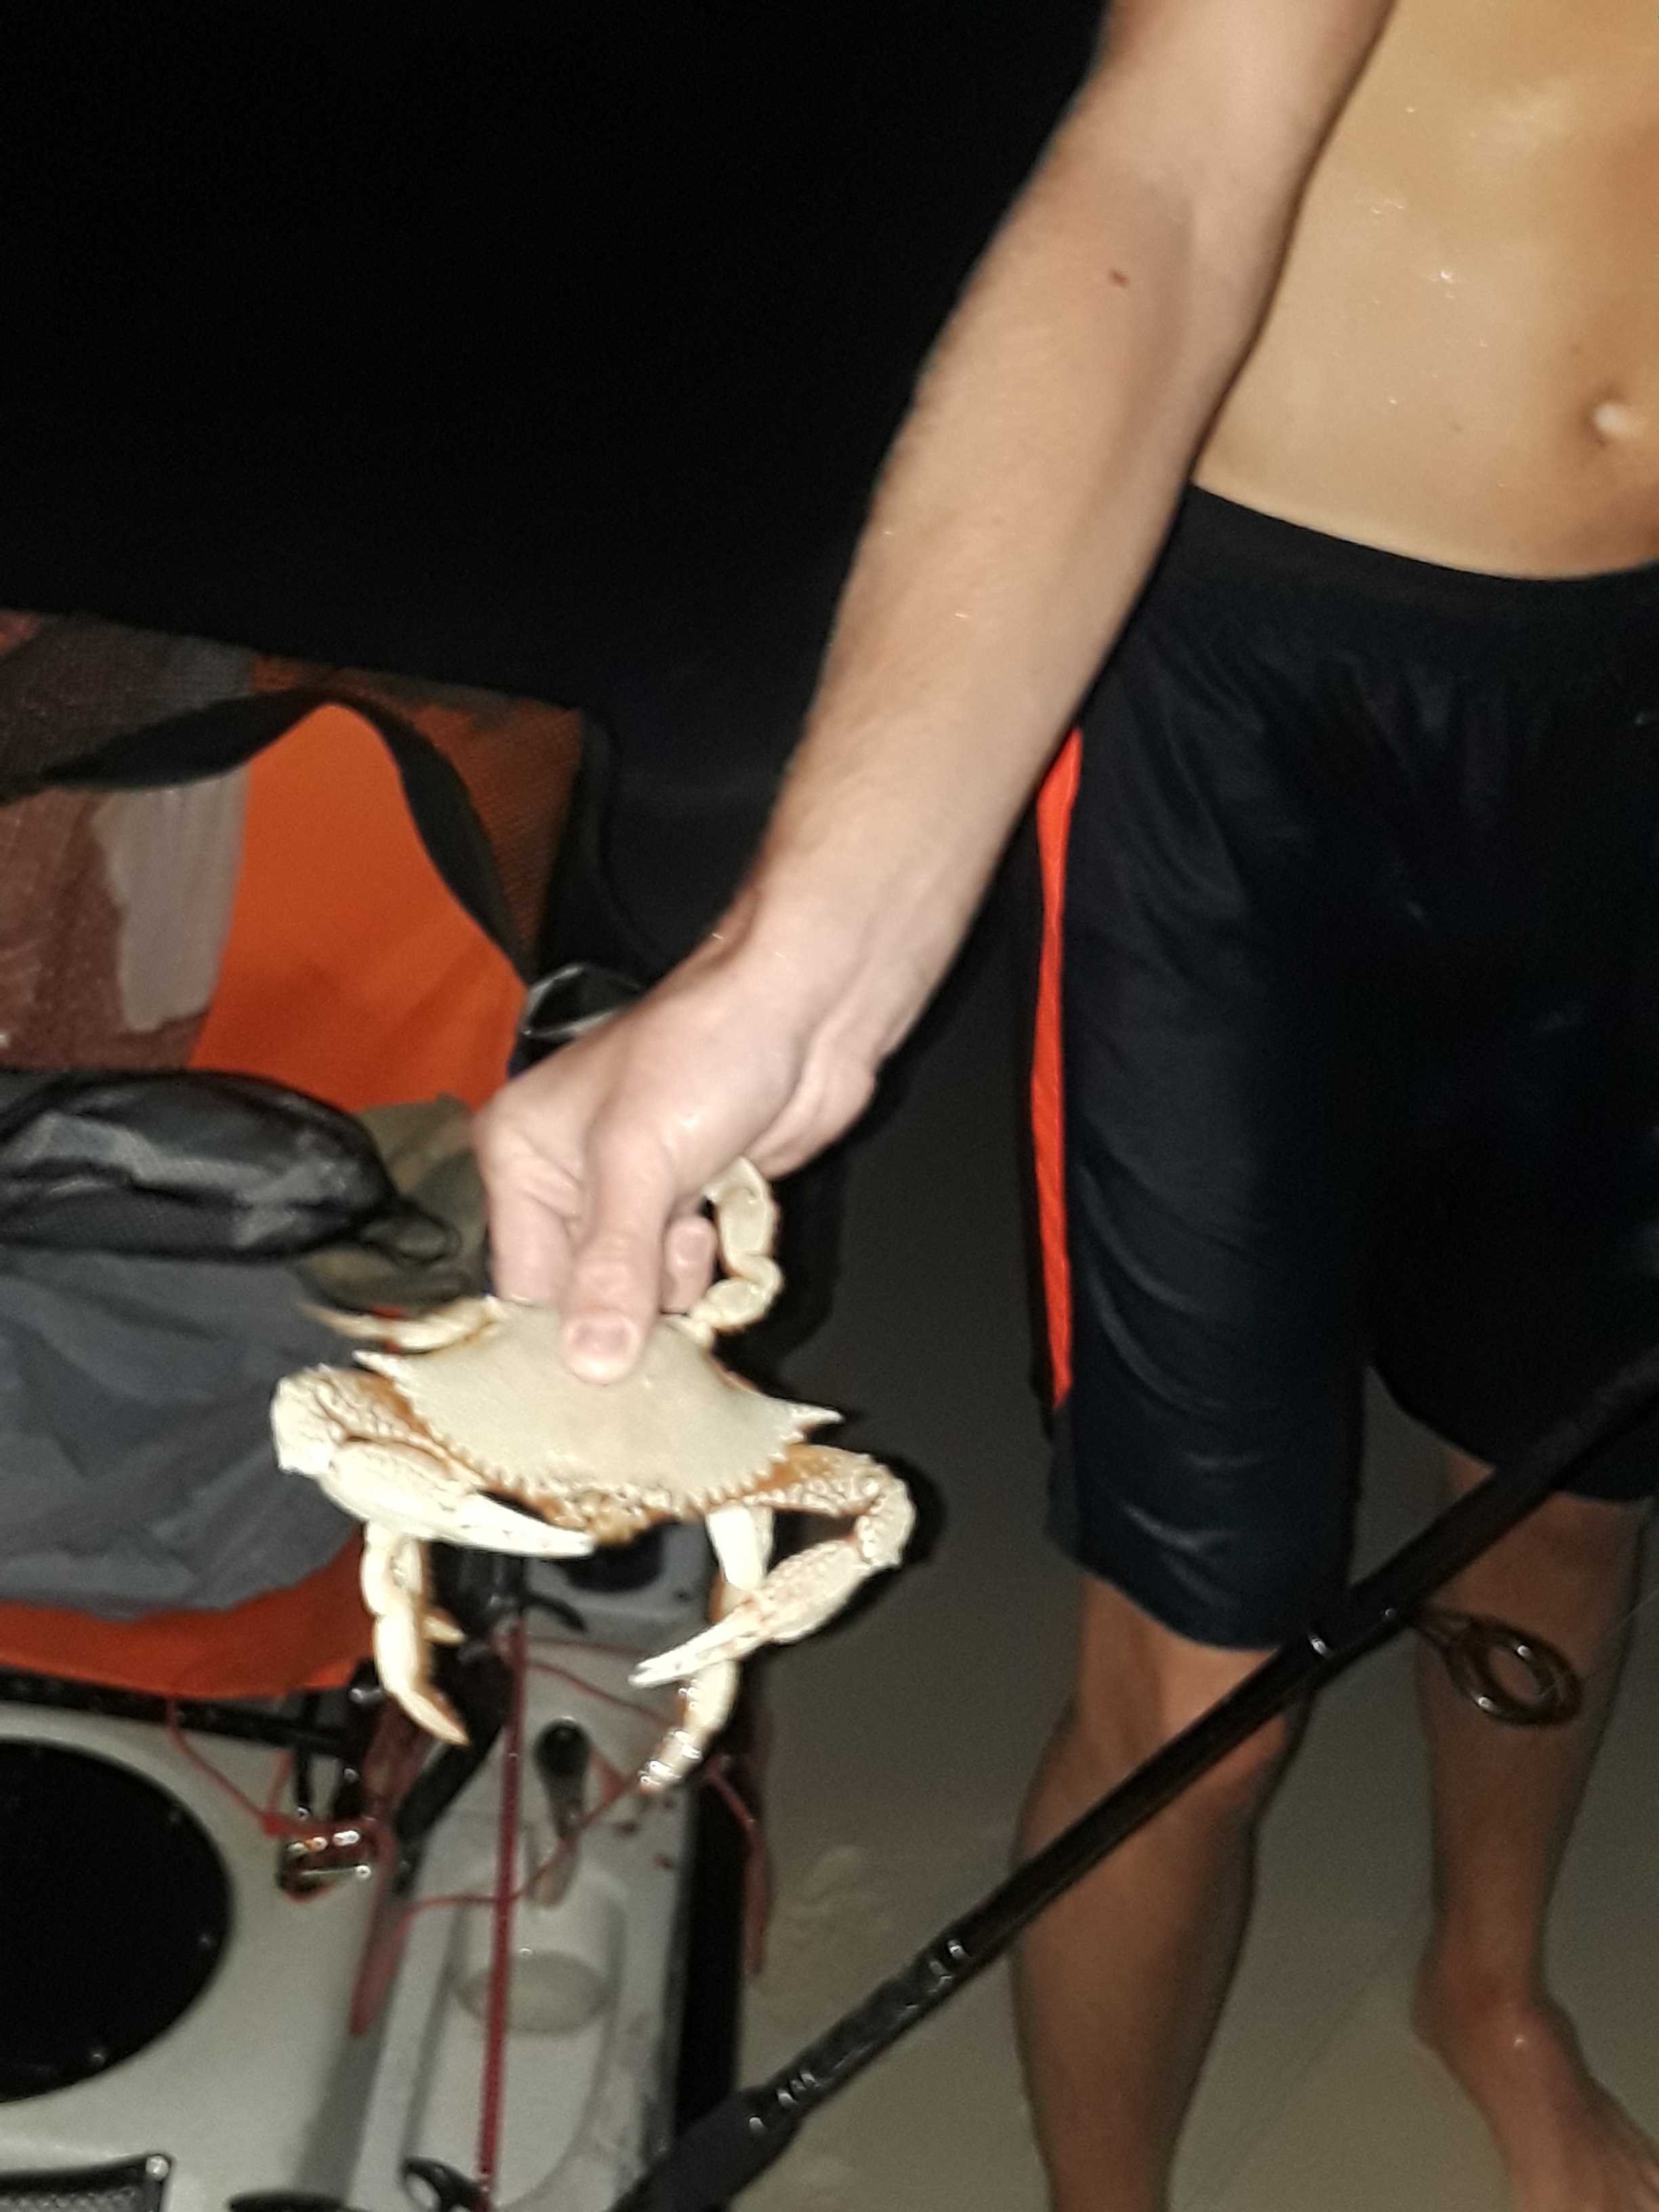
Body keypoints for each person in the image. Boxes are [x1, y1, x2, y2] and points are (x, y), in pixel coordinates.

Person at [476, 0, 1659, 2205]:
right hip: (1256, 706)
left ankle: (1490, 1982)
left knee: (1570, 1495)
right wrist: (812, 944)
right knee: (1203, 1673)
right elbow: (1181, 162)